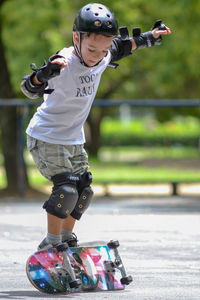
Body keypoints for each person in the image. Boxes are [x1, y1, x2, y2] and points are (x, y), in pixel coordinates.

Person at [21, 3, 171, 250]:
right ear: (76, 38)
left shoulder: (103, 54)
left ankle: (66, 238)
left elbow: (122, 46)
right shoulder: (63, 61)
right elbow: (28, 88)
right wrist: (44, 74)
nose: (96, 56)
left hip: (73, 139)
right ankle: (51, 243)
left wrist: (150, 37)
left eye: (101, 52)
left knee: (83, 191)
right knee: (66, 190)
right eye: (91, 49)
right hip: (46, 136)